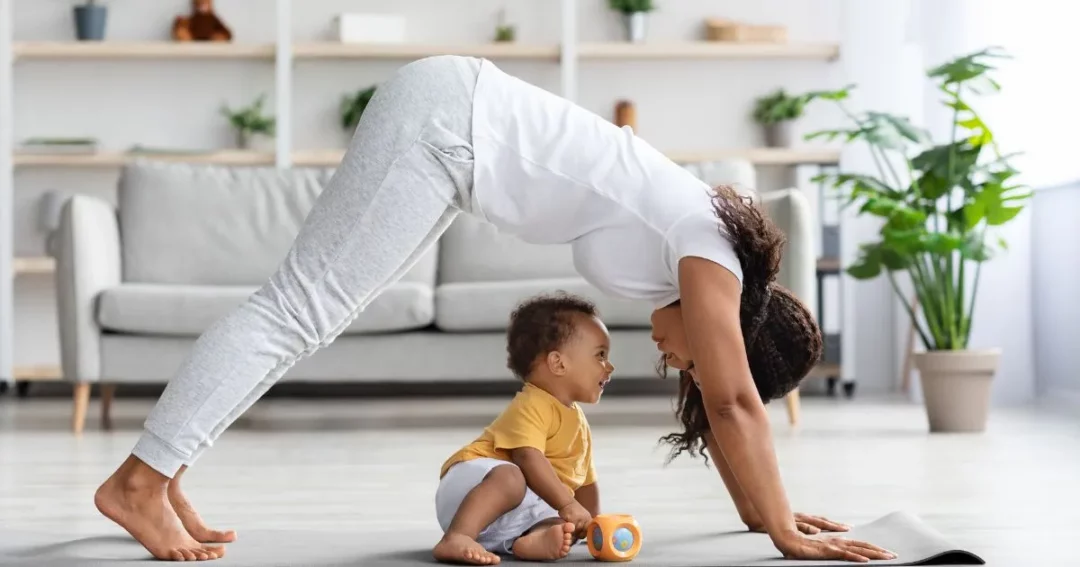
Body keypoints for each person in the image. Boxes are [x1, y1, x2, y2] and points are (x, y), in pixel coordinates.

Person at [93, 55, 896, 563]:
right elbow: (732, 400)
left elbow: (719, 409)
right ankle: (139, 480)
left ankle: (163, 477)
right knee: (297, 310)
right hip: (447, 126)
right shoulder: (709, 250)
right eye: (687, 356)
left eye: (681, 362)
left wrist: (768, 514)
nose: (671, 359)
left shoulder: (696, 267)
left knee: (311, 315)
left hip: (454, 140)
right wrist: (789, 536)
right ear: (736, 332)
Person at [433, 293, 610, 565]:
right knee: (513, 477)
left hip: (505, 514)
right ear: (558, 363)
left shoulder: (577, 420)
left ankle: (529, 541)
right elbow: (527, 457)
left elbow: (585, 480)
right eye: (600, 355)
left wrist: (591, 523)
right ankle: (457, 536)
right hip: (472, 487)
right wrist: (568, 505)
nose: (609, 367)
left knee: (561, 525)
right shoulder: (533, 403)